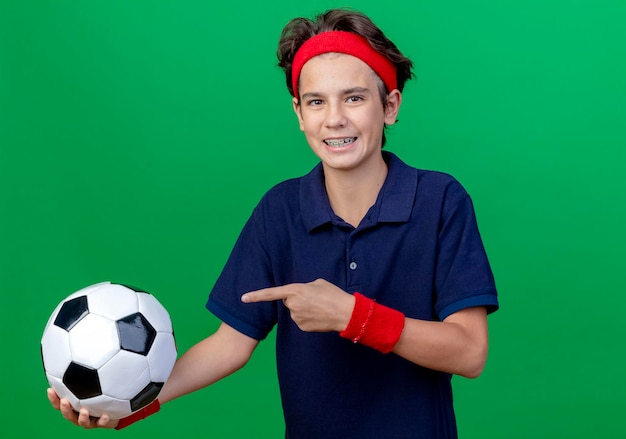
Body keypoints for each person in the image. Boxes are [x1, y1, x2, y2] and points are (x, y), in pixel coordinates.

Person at [48, 8, 499, 438]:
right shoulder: (279, 210)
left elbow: (470, 351)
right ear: (299, 115)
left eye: (355, 98)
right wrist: (128, 404)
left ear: (390, 106)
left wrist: (352, 315)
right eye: (316, 101)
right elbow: (230, 344)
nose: (335, 118)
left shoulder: (440, 201)